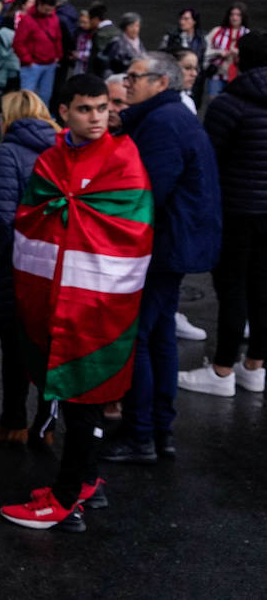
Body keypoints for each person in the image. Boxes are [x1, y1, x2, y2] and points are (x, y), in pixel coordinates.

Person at [0, 73, 152, 531]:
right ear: (63, 112)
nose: (97, 118)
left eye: (103, 108)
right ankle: (84, 481)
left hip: (98, 302)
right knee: (70, 397)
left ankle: (64, 500)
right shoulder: (51, 159)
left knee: (85, 396)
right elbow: (32, 219)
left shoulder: (124, 159)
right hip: (54, 298)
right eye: (86, 109)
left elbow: (135, 229)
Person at [102, 53, 221, 465]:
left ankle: (141, 434)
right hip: (176, 245)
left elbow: (146, 193)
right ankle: (159, 430)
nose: (127, 83)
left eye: (135, 77)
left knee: (140, 338)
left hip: (160, 248)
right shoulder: (169, 116)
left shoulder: (161, 124)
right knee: (159, 338)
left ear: (160, 83)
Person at [180, 32, 267, 397]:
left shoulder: (229, 104)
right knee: (262, 288)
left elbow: (207, 160)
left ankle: (221, 371)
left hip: (235, 211)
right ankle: (254, 367)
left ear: (238, 61)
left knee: (232, 289)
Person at [0, 91, 58, 445]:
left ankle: (13, 424)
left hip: (18, 266)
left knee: (15, 348)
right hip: (54, 263)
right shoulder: (62, 148)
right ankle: (45, 426)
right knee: (49, 347)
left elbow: (1, 217)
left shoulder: (7, 153)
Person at [14, 0, 63, 104]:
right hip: (33, 64)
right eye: (46, 9)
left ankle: (42, 118)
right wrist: (27, 60)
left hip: (49, 63)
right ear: (39, 5)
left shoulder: (53, 18)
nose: (49, 12)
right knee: (27, 96)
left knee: (45, 95)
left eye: (51, 10)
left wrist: (58, 55)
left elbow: (57, 37)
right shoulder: (27, 20)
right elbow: (18, 42)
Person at [205, 3, 250, 98]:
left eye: (238, 15)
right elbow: (204, 49)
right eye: (232, 14)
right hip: (217, 74)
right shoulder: (217, 31)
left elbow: (253, 56)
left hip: (237, 76)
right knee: (214, 101)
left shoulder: (247, 34)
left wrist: (239, 53)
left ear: (243, 17)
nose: (234, 18)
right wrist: (218, 53)